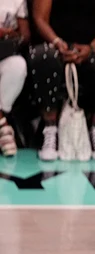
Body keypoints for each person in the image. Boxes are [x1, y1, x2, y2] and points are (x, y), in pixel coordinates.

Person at [31, 0, 95, 162]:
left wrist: (92, 47)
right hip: (55, 45)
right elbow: (40, 18)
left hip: (94, 47)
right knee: (43, 57)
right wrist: (57, 42)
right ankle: (50, 130)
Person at [0, 0, 30, 157]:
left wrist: (8, 33)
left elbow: (25, 36)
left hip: (4, 52)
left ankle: (1, 116)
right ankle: (2, 125)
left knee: (18, 66)